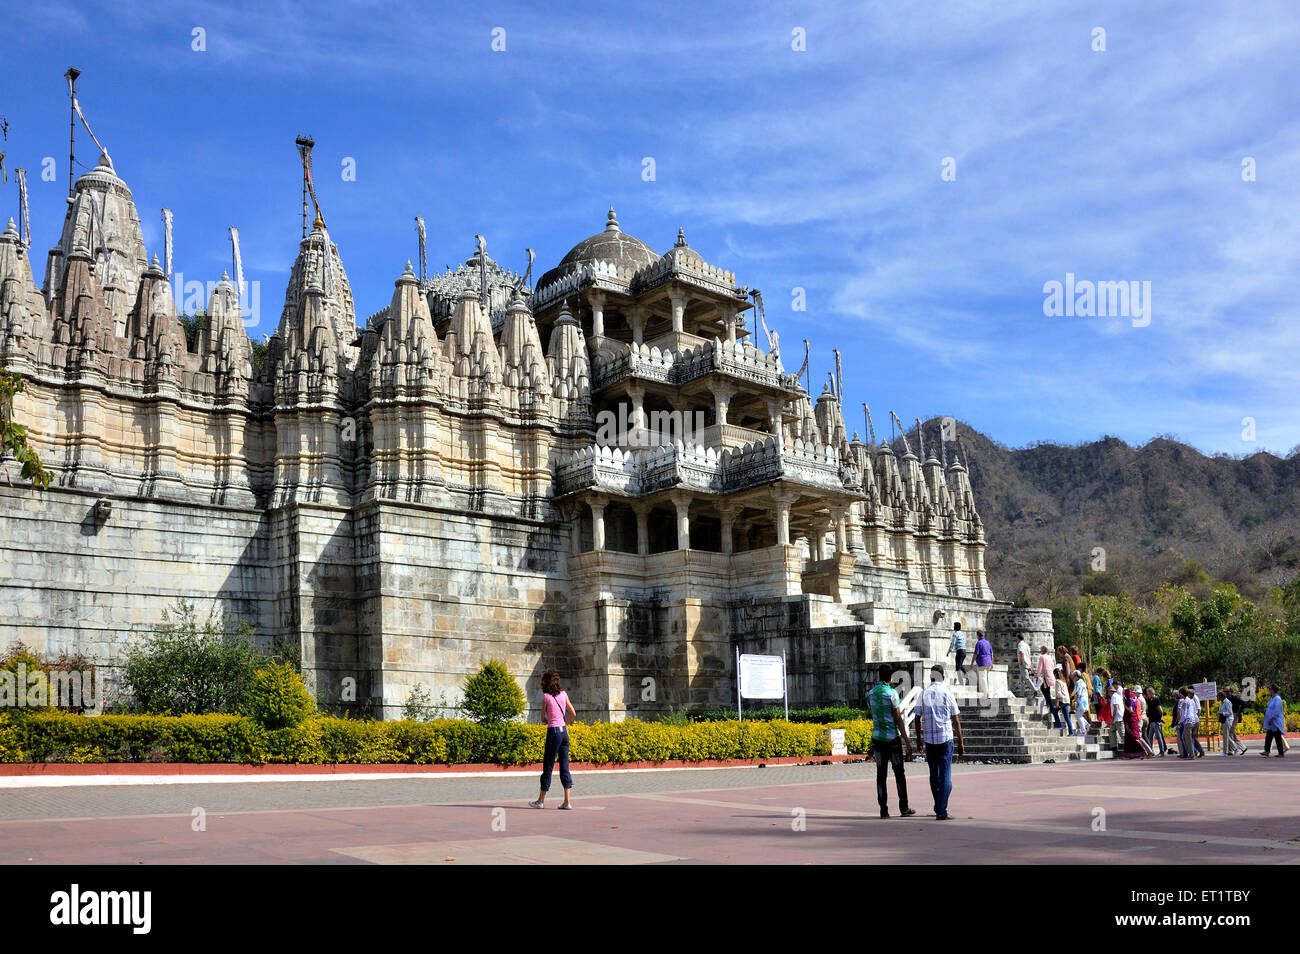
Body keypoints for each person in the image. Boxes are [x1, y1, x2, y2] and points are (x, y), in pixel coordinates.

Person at [916, 665, 965, 820]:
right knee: (945, 777)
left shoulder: (923, 694)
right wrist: (960, 741)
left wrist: (918, 739)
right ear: (942, 677)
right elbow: (955, 719)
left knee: (934, 775)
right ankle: (941, 810)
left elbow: (917, 718)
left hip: (930, 741)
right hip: (945, 739)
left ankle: (939, 806)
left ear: (931, 677)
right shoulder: (947, 693)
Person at [868, 666, 916, 818]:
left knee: (881, 775)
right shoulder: (892, 693)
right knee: (899, 774)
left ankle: (883, 809)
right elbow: (897, 719)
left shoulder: (871, 693)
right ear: (890, 678)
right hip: (892, 739)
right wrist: (907, 742)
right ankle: (904, 807)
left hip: (877, 738)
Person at [529, 669, 576, 809]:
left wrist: (549, 721)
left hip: (553, 732)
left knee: (548, 765)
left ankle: (540, 801)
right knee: (565, 766)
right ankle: (567, 802)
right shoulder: (564, 694)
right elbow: (573, 713)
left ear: (546, 682)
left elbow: (543, 718)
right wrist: (564, 723)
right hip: (564, 732)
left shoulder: (546, 697)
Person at [1123, 683, 1148, 759]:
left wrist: (1124, 705)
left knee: (1136, 737)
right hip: (1135, 720)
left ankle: (1145, 751)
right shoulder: (1135, 699)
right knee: (1132, 738)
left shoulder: (1131, 700)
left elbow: (1131, 710)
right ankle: (1132, 754)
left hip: (1133, 721)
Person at [1262, 685, 1287, 757]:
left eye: (1270, 689)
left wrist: (1271, 718)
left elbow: (1277, 710)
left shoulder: (1277, 699)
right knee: (1269, 736)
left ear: (1273, 690)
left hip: (1275, 721)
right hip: (1272, 723)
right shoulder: (1272, 698)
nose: (1269, 691)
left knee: (1277, 737)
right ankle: (1267, 751)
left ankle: (1280, 753)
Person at [1143, 687, 1168, 756]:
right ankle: (1150, 751)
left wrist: (1160, 718)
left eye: (1148, 693)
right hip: (1151, 721)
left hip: (1156, 721)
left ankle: (1162, 752)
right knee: (1150, 737)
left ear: (1151, 693)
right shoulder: (1150, 700)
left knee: (1159, 737)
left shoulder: (1156, 699)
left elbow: (1160, 710)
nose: (1147, 694)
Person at [1036, 647, 1058, 725]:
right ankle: (1049, 704)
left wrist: (1037, 675)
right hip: (1050, 674)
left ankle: (1051, 707)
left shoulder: (1042, 657)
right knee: (1045, 689)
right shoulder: (1049, 657)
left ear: (1043, 651)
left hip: (1046, 675)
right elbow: (1053, 666)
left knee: (1046, 691)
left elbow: (1040, 666)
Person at [1225, 686, 1248, 755]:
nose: (1226, 693)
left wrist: (1239, 711)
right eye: (1225, 692)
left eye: (1227, 692)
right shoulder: (1227, 698)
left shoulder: (1234, 697)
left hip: (1234, 715)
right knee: (1231, 733)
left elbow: (1244, 703)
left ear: (1231, 692)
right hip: (1230, 716)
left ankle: (1231, 750)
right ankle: (1242, 748)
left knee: (1230, 732)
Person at [1054, 665, 1074, 736]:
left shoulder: (1057, 681)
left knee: (1054, 710)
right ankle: (1071, 731)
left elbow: (1058, 694)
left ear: (1055, 675)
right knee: (1067, 717)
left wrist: (1056, 704)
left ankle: (1058, 725)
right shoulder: (1063, 681)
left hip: (1062, 700)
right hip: (1067, 700)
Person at [973, 630, 994, 697]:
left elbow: (975, 654)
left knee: (983, 679)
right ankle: (986, 693)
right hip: (989, 663)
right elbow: (991, 654)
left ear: (978, 635)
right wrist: (992, 663)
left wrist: (972, 663)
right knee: (986, 678)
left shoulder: (979, 643)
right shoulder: (988, 643)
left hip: (982, 662)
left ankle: (987, 694)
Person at [1216, 690, 1235, 757]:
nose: (1217, 698)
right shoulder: (1223, 702)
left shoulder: (1227, 702)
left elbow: (1230, 712)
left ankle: (1225, 752)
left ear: (1221, 697)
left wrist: (1222, 713)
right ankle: (1235, 748)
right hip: (1224, 720)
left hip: (1228, 720)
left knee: (1225, 737)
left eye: (1217, 697)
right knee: (1226, 736)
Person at [1108, 679, 1126, 752]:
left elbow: (1116, 708)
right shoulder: (1117, 696)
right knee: (1111, 731)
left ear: (1110, 692)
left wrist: (1113, 719)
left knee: (1122, 734)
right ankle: (1114, 747)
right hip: (1117, 718)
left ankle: (1129, 747)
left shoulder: (1114, 697)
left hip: (1118, 718)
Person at [1072, 671, 1090, 738]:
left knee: (1078, 716)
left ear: (1076, 676)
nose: (1073, 678)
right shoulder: (1082, 682)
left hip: (1080, 702)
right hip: (1084, 702)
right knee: (1079, 715)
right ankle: (1087, 725)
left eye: (1073, 676)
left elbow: (1077, 694)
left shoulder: (1078, 683)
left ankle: (1083, 731)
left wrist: (1074, 702)